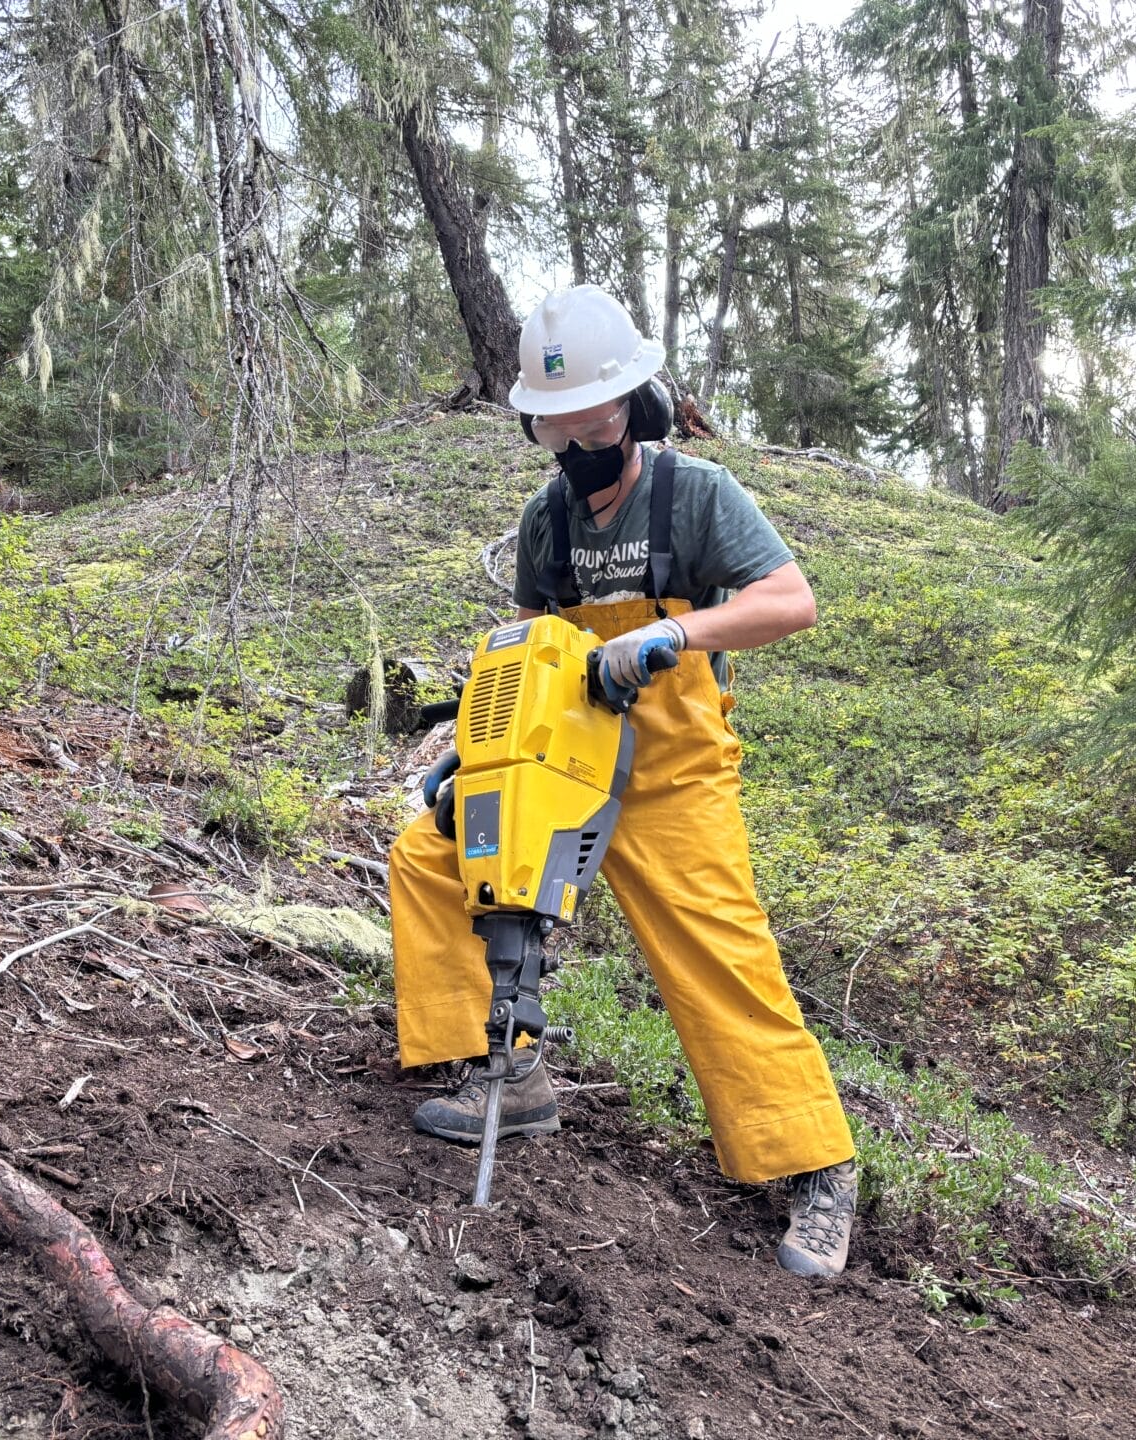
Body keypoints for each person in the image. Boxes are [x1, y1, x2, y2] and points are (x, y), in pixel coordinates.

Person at [388, 284, 859, 1278]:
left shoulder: (696, 496)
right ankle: (507, 1073)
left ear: (633, 403)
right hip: (561, 761)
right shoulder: (544, 525)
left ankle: (819, 1166)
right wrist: (472, 750)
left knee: (718, 955)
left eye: (594, 413)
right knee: (435, 858)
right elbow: (529, 653)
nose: (577, 433)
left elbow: (791, 600)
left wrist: (674, 631)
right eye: (556, 421)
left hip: (673, 771)